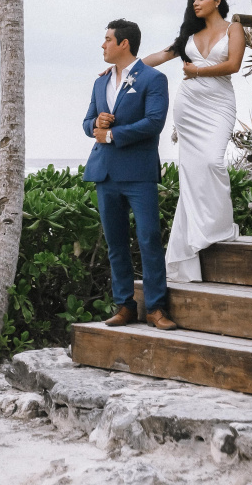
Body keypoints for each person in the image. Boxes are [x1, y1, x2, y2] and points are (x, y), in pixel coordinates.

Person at [143, 0, 245, 282]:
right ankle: (194, 242)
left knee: (212, 162)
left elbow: (233, 65)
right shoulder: (189, 35)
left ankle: (217, 227)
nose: (196, 3)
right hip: (189, 107)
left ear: (218, 0)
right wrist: (122, 68)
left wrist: (198, 70)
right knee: (191, 172)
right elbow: (159, 57)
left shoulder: (234, 29)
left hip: (219, 105)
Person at [83, 19, 176, 330]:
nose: (103, 44)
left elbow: (154, 122)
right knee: (116, 244)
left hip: (139, 173)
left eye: (108, 39)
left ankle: (156, 308)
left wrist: (112, 135)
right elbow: (87, 123)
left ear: (124, 43)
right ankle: (124, 306)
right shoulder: (100, 83)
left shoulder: (153, 78)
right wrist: (96, 123)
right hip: (105, 173)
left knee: (149, 239)